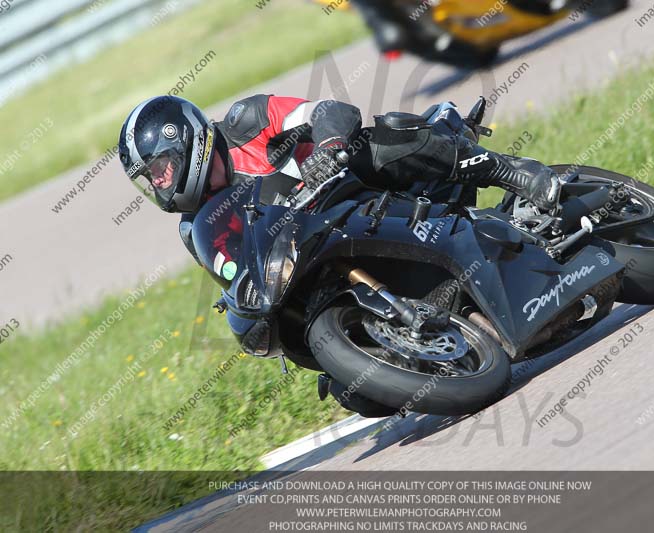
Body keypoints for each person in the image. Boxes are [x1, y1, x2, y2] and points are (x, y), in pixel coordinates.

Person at [118, 94, 558, 413]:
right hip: (317, 259)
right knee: (357, 395)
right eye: (149, 180)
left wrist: (328, 148)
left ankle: (511, 172)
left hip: (364, 194)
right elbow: (241, 275)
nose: (159, 184)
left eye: (161, 169)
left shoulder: (246, 121)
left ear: (188, 143)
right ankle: (417, 337)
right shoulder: (195, 227)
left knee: (380, 141)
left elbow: (331, 111)